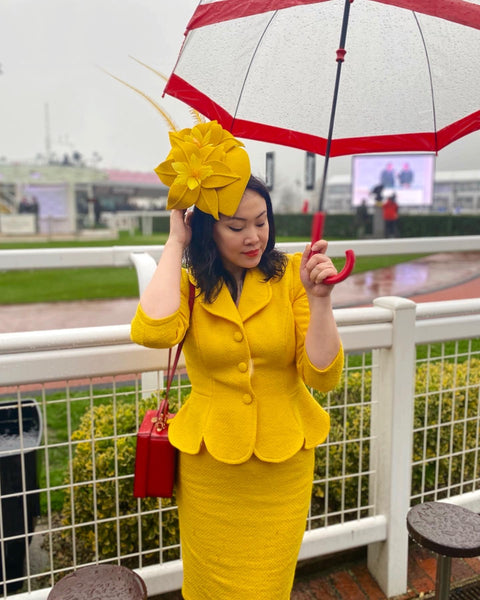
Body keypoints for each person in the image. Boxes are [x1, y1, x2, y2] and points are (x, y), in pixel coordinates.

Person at [130, 120, 344, 600]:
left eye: (262, 221)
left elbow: (323, 376)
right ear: (208, 229)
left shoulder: (293, 274)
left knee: (269, 586)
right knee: (211, 586)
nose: (254, 237)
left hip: (282, 465)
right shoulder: (191, 285)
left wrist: (321, 300)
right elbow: (154, 330)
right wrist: (174, 242)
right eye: (236, 225)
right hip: (211, 468)